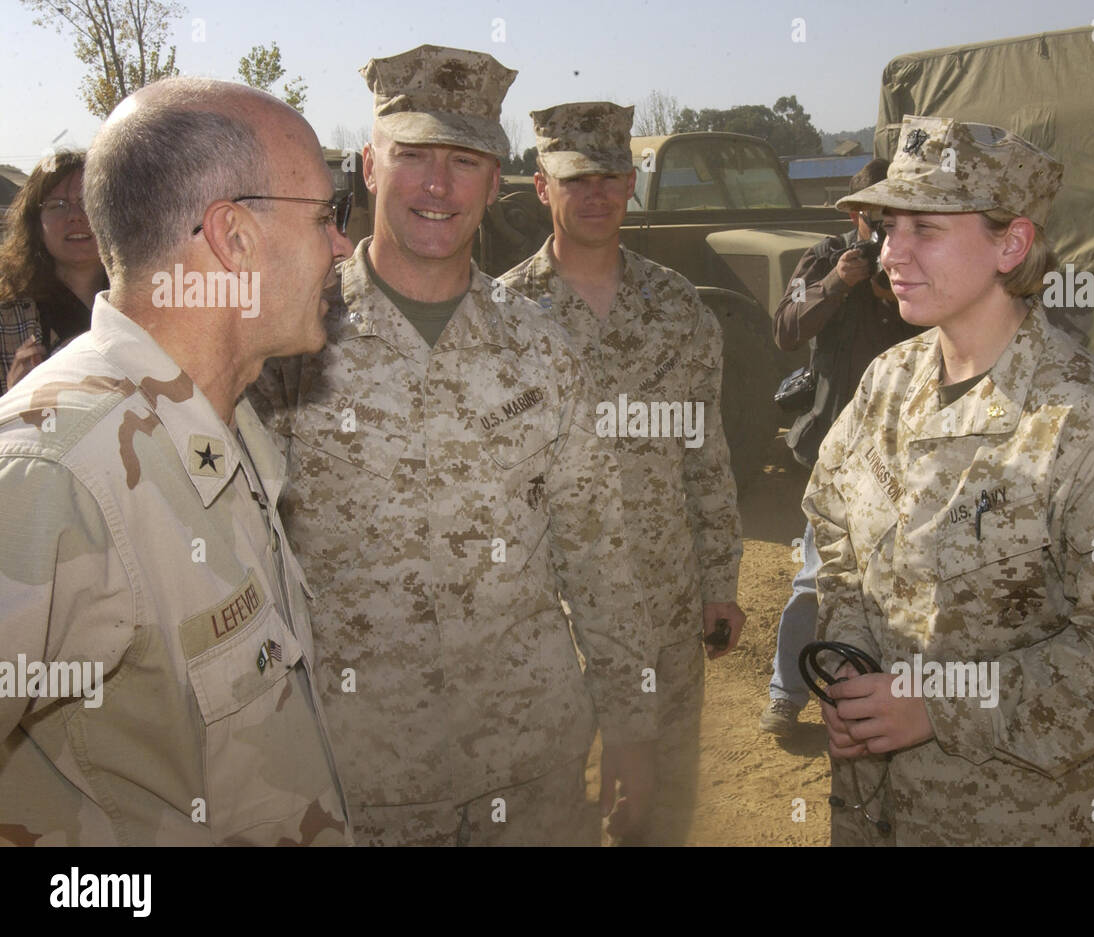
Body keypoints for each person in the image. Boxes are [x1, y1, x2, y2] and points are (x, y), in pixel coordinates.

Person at [250, 46, 657, 846]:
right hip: (356, 775)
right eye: (413, 157)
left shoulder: (543, 348)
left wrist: (634, 725)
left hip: (532, 766)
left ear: (495, 181)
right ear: (369, 166)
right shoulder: (286, 344)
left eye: (464, 161)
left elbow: (599, 551)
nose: (438, 186)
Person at [804, 115, 1094, 845]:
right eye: (890, 227)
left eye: (925, 226)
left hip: (1011, 819)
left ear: (1011, 244)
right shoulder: (889, 382)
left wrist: (938, 705)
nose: (892, 251)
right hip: (871, 811)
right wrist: (855, 663)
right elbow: (834, 528)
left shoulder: (1088, 423)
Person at [0, 77, 353, 845]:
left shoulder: (215, 414)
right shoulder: (52, 472)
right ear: (233, 237)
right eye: (327, 215)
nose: (342, 245)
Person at [499, 102, 745, 845]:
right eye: (577, 179)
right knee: (558, 808)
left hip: (667, 600)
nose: (597, 194)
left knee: (661, 807)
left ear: (632, 184)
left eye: (610, 176)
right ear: (542, 187)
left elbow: (706, 451)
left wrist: (721, 579)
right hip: (552, 617)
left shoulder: (677, 307)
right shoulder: (505, 316)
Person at [761, 158, 923, 736]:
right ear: (855, 214)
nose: (883, 230)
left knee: (907, 583)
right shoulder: (826, 259)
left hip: (910, 452)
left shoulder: (917, 266)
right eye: (874, 217)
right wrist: (839, 283)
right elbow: (786, 328)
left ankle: (888, 698)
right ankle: (787, 693)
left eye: (895, 217)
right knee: (816, 578)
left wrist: (889, 289)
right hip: (839, 453)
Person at [0, 150, 107, 395]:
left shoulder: (144, 302)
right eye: (57, 205)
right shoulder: (7, 314)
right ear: (36, 224)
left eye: (87, 201)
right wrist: (15, 396)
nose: (75, 217)